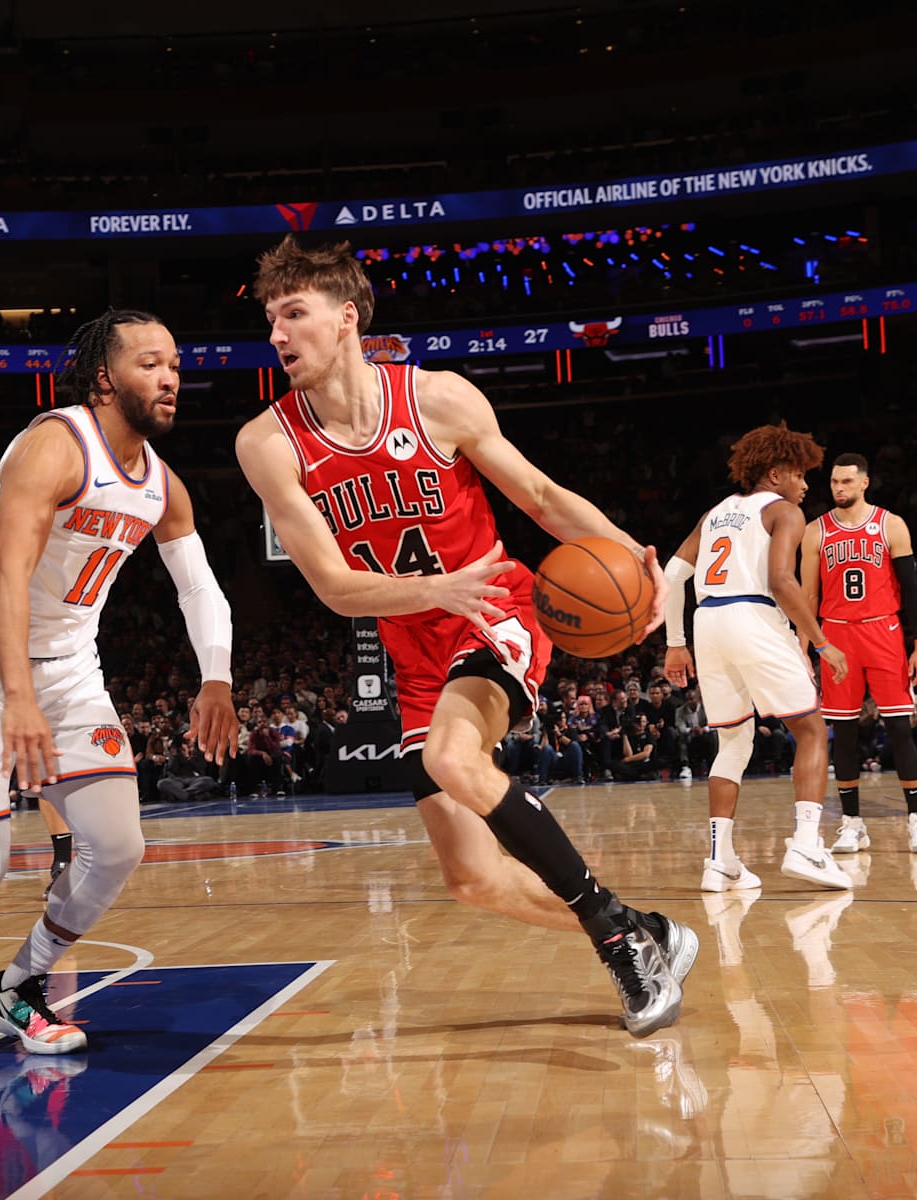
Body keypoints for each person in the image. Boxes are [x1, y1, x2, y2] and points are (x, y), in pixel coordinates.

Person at [234, 237, 697, 1037]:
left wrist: (633, 557)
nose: (277, 334)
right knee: (473, 880)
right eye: (272, 318)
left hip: (492, 605)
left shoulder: (439, 398)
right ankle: (644, 928)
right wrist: (429, 590)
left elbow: (544, 498)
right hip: (414, 637)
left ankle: (618, 942)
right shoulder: (267, 443)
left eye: (294, 313)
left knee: (454, 759)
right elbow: (333, 587)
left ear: (346, 319)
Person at [0, 310, 238, 1055]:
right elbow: (8, 573)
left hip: (68, 669)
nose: (171, 378)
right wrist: (16, 697)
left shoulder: (162, 486)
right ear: (105, 377)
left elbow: (198, 589)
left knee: (118, 845)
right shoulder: (53, 446)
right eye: (150, 364)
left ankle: (18, 988)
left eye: (175, 364)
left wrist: (217, 679)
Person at [662, 423, 854, 894]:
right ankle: (807, 844)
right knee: (810, 729)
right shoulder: (783, 511)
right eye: (799, 473)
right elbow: (783, 582)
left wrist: (674, 641)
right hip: (752, 614)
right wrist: (822, 642)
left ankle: (719, 861)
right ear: (774, 473)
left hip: (707, 622)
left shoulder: (714, 513)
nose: (807, 484)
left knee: (732, 743)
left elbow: (672, 573)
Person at [801, 454, 917, 855]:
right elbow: (808, 595)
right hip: (836, 635)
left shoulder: (890, 524)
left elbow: (912, 590)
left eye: (846, 482)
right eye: (833, 483)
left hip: (884, 630)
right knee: (843, 733)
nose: (838, 489)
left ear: (864, 483)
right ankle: (852, 824)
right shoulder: (815, 531)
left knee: (899, 728)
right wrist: (802, 645)